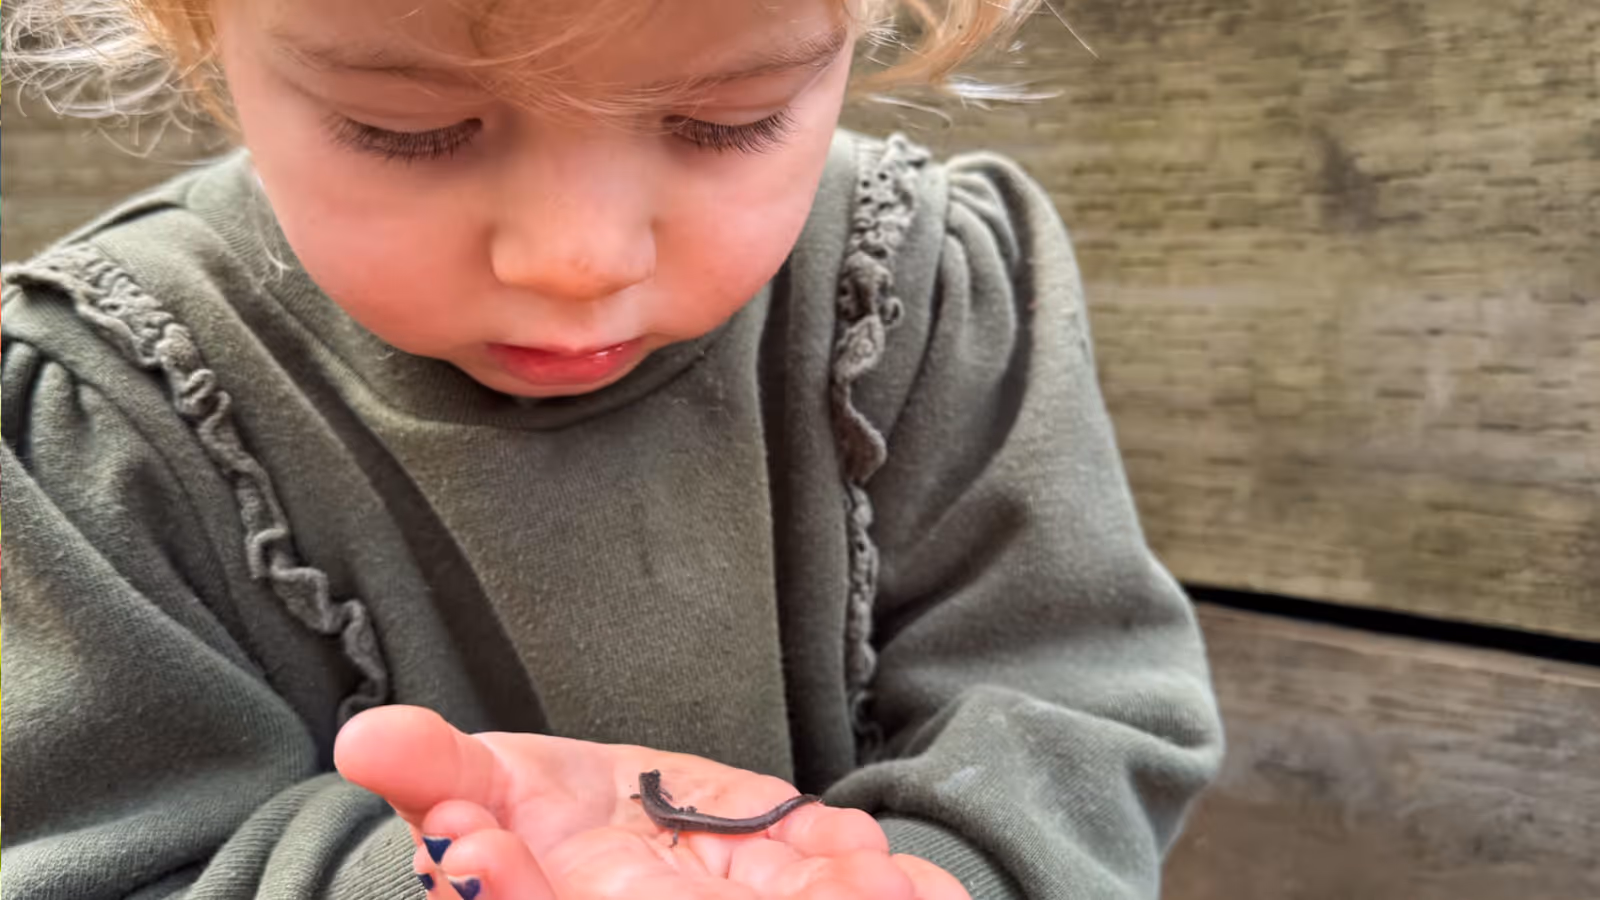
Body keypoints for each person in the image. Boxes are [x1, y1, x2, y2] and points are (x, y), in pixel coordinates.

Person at [0, 0, 1225, 897]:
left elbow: (1073, 714)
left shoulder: (919, 296)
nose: (578, 258)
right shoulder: (98, 406)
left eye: (725, 120)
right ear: (201, 41)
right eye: (406, 127)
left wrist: (932, 878)